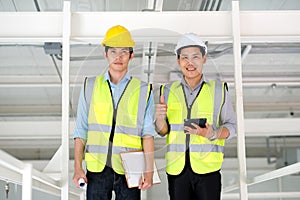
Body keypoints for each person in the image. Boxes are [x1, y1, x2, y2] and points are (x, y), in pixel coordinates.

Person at [72, 25, 156, 200]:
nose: (118, 57)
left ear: (131, 55)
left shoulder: (143, 90)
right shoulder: (90, 86)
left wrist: (148, 170)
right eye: (113, 51)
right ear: (105, 54)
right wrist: (77, 167)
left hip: (129, 170)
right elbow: (81, 131)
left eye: (124, 52)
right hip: (97, 168)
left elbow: (147, 135)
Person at [155, 33, 237, 200]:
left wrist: (212, 134)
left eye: (195, 57)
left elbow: (232, 127)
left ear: (204, 59)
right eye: (185, 57)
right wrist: (160, 119)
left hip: (208, 170)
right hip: (177, 171)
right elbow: (162, 131)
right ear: (178, 61)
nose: (190, 62)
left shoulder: (218, 90)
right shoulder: (168, 91)